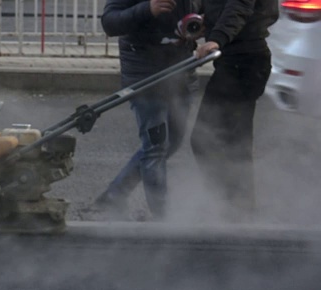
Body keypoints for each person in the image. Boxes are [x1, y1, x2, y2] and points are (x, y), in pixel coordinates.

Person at [90, 0, 201, 220]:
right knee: (155, 148)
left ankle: (114, 195)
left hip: (181, 76)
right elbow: (110, 23)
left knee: (172, 142)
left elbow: (208, 9)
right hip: (146, 77)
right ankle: (162, 219)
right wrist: (148, 9)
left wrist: (204, 26)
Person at [190, 0, 278, 220]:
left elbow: (238, 6)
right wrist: (202, 19)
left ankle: (233, 207)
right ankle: (238, 208)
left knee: (209, 140)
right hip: (239, 59)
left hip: (244, 61)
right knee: (235, 141)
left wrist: (216, 38)